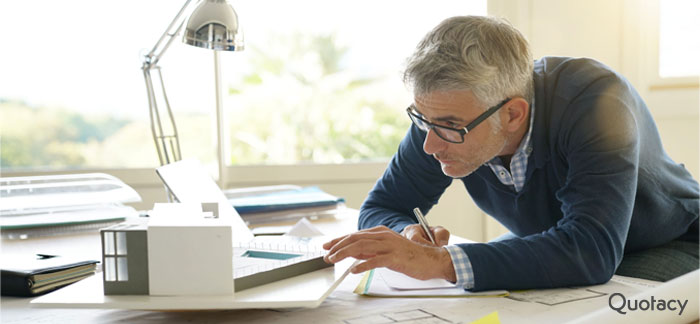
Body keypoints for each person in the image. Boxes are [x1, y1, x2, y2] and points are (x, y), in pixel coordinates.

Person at [322, 15, 699, 291]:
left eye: (449, 127)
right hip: (566, 241)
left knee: (594, 307)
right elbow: (383, 204)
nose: (429, 144)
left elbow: (590, 252)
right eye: (423, 120)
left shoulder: (595, 101)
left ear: (513, 114)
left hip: (668, 242)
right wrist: (408, 234)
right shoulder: (444, 116)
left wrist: (439, 262)